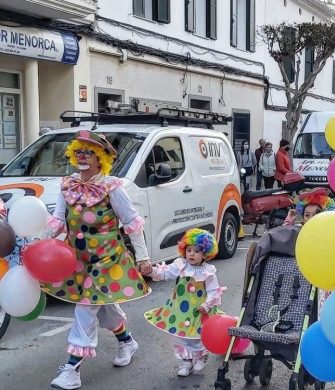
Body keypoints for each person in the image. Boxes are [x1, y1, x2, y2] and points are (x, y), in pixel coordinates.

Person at [41, 130, 151, 390]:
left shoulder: (112, 187)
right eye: (78, 151)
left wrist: (144, 258)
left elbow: (132, 224)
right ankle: (127, 341)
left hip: (107, 259)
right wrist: (39, 241)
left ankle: (72, 369)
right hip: (78, 259)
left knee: (86, 307)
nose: (82, 156)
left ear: (100, 158)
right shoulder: (67, 185)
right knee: (105, 307)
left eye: (89, 152)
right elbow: (57, 220)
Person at [140, 228, 225, 377]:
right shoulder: (180, 266)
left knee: (197, 335)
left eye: (197, 251)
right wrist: (151, 271)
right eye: (189, 250)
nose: (191, 254)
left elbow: (213, 290)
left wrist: (207, 305)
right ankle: (186, 361)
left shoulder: (208, 272)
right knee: (182, 335)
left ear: (205, 254)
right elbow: (165, 273)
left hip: (199, 311)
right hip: (180, 310)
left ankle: (201, 355)